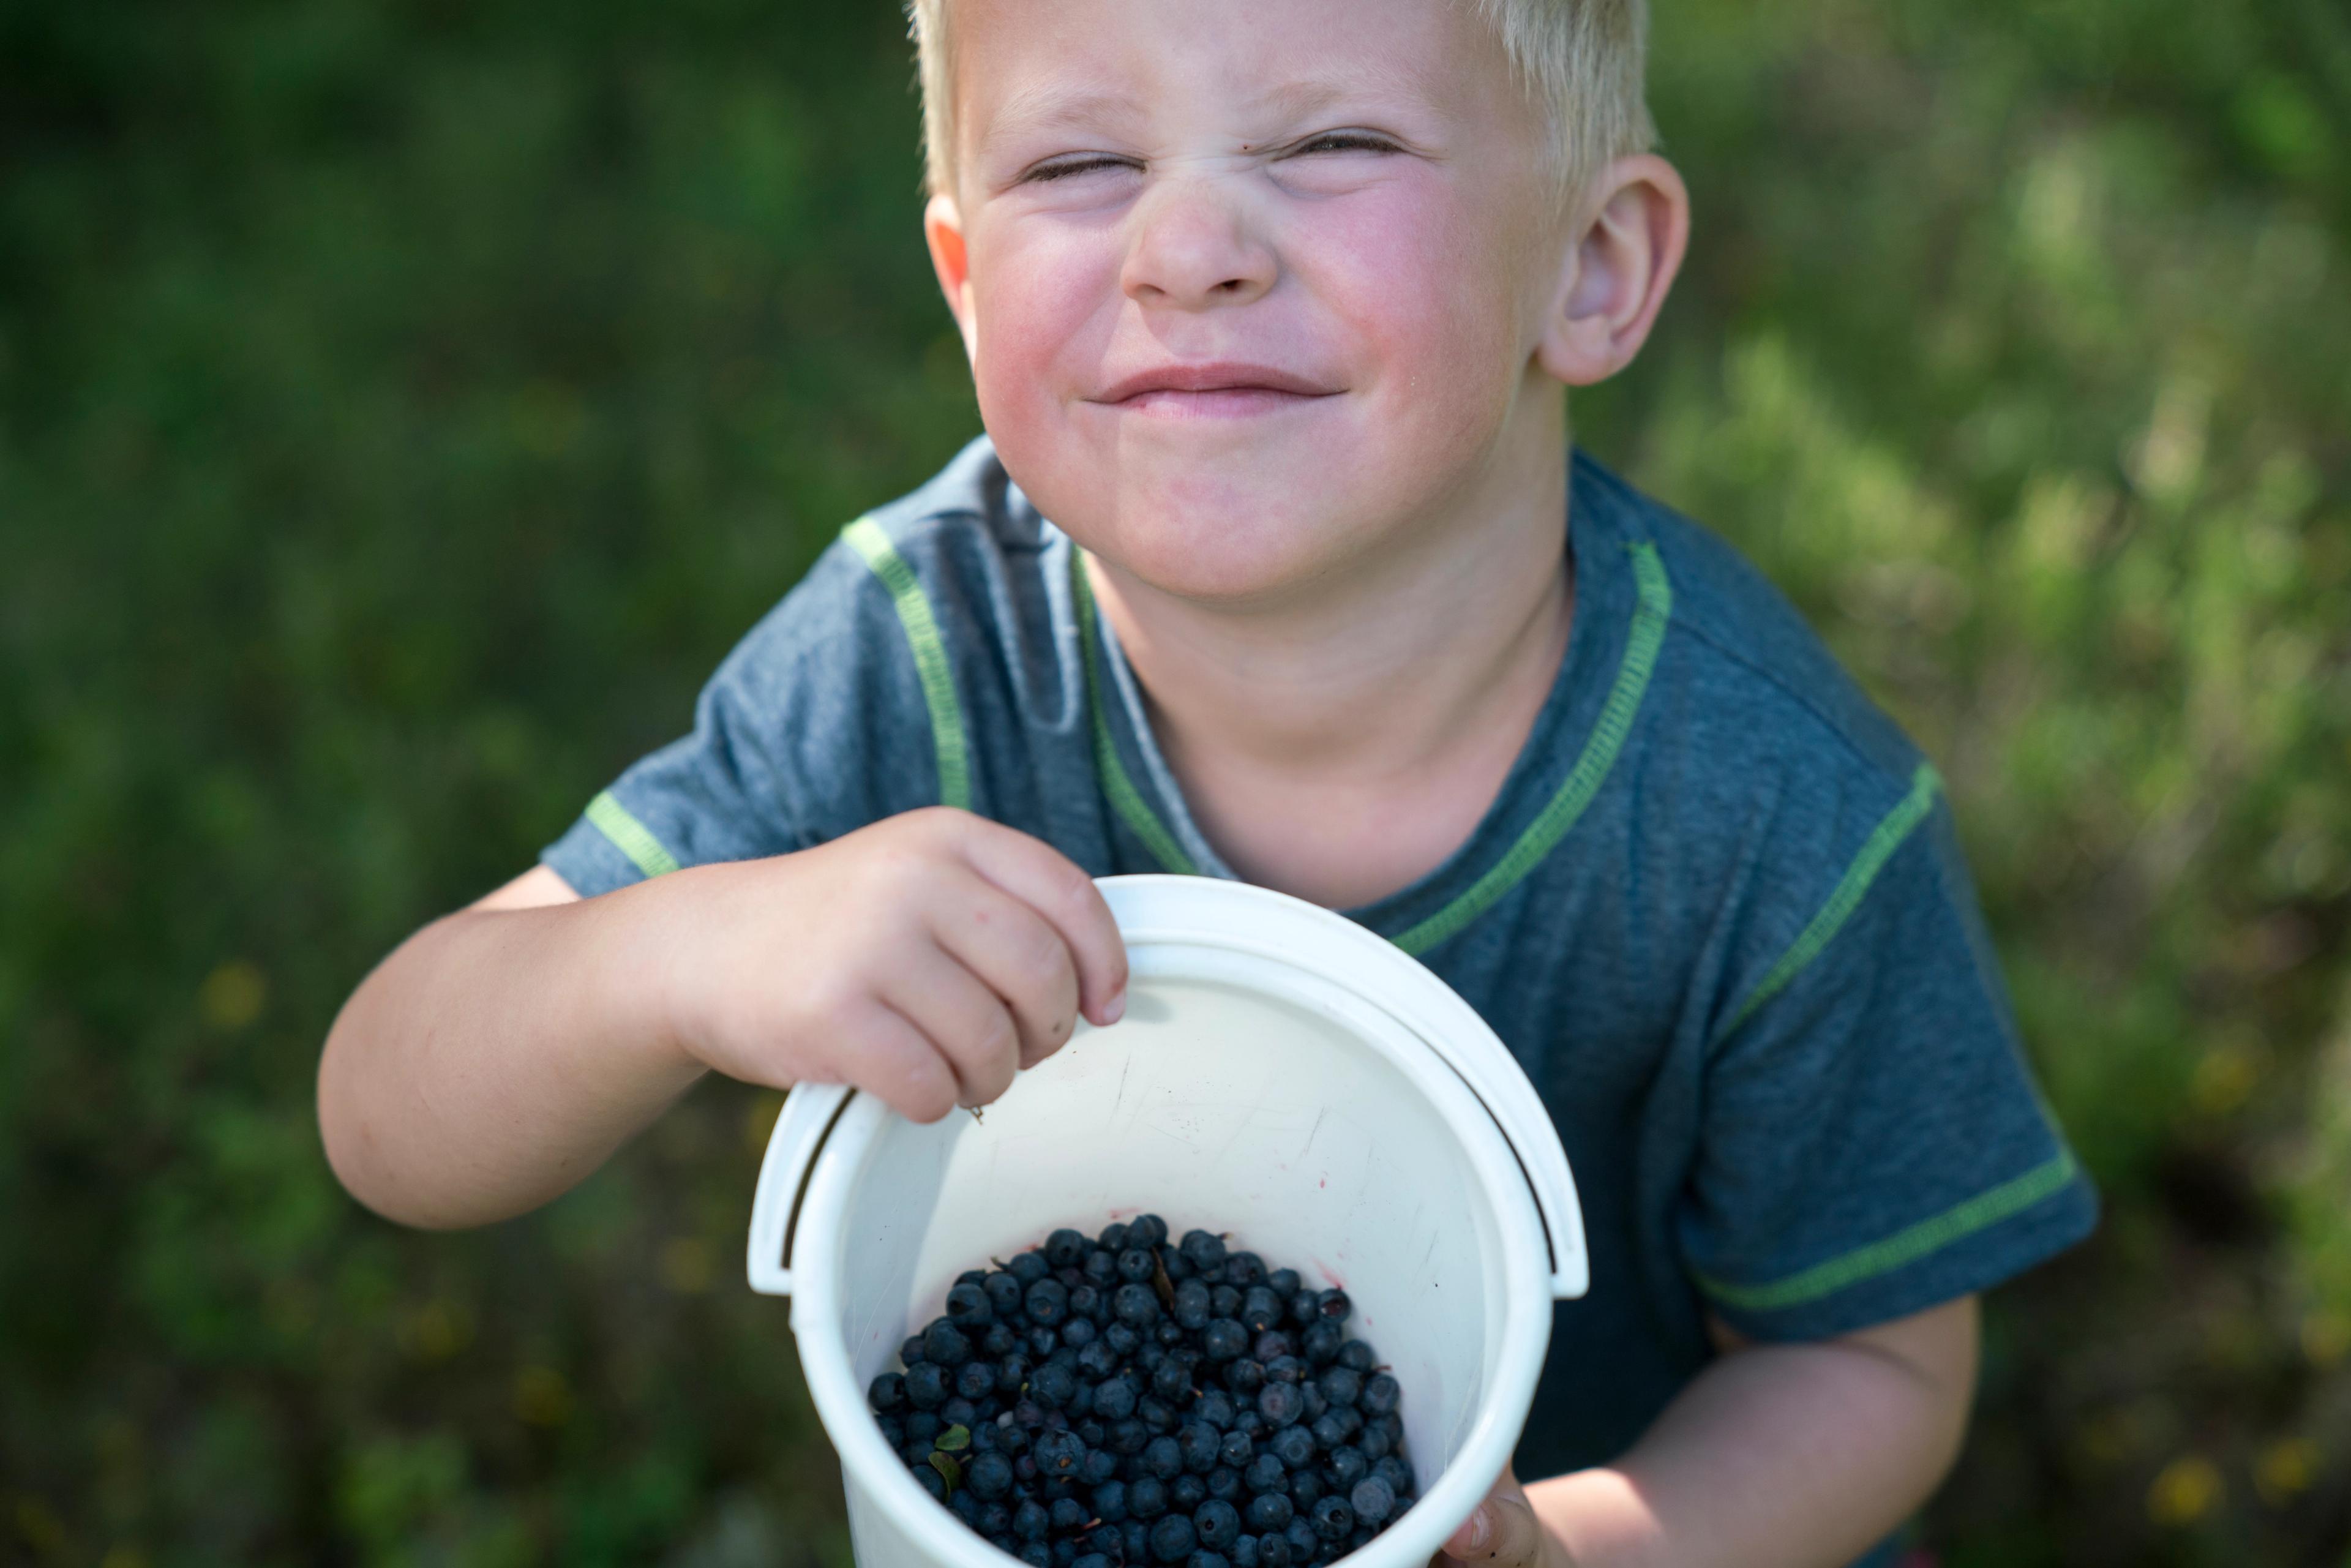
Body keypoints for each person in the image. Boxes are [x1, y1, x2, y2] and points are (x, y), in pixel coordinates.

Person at [317, 1, 2096, 1562]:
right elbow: (385, 1109)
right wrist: (677, 955)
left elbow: (1871, 1367)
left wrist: (1583, 1550)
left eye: (1332, 140)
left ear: (1591, 265)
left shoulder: (1773, 818)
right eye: (1080, 162)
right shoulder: (919, 661)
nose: (1186, 246)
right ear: (960, 283)